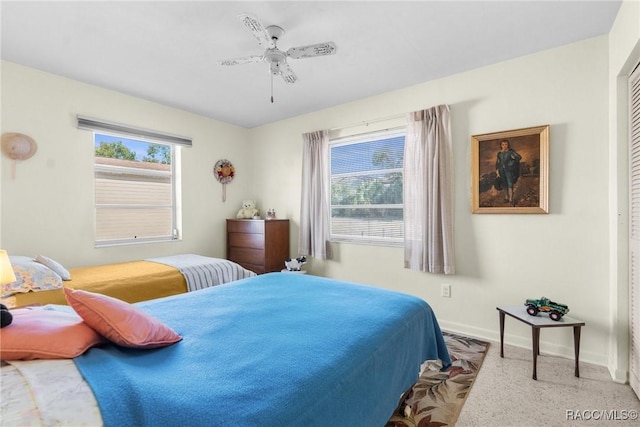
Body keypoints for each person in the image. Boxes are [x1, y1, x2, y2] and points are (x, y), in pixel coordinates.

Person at [496, 139, 522, 206]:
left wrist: (511, 162)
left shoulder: (511, 152)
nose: (504, 146)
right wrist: (497, 170)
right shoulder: (499, 154)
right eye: (503, 144)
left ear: (508, 145)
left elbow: (518, 157)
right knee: (504, 185)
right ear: (501, 145)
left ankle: (511, 199)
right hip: (502, 171)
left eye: (506, 144)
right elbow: (498, 163)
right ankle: (506, 198)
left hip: (509, 171)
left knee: (510, 185)